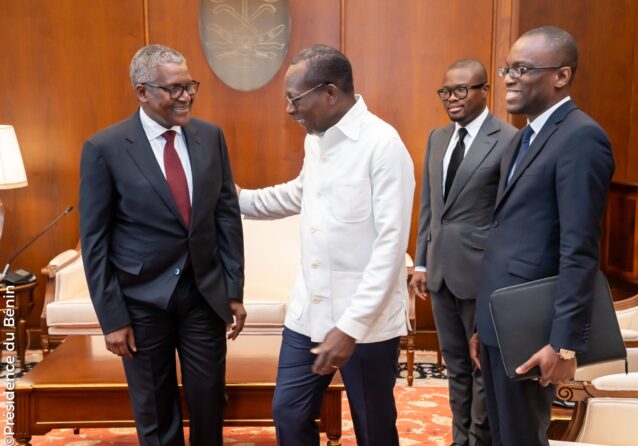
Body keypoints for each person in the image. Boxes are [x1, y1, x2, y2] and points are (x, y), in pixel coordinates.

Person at [237, 44, 414, 446]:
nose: (288, 109)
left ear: (330, 93)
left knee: (373, 427)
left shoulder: (383, 146)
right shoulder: (317, 139)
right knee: (290, 413)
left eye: (295, 99)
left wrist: (350, 328)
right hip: (308, 313)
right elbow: (299, 194)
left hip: (364, 324)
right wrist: (236, 198)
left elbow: (390, 247)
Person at [79, 44, 246, 446]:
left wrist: (234, 291)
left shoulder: (210, 137)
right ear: (142, 92)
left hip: (203, 295)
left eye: (190, 86)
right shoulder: (105, 148)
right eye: (174, 89)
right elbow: (95, 241)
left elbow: (226, 216)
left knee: (209, 400)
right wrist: (112, 317)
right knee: (155, 408)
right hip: (140, 302)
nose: (185, 96)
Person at [470, 26, 614, 445]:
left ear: (561, 76)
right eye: (507, 69)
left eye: (522, 68)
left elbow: (579, 249)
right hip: (500, 320)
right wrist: (484, 322)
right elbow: (507, 235)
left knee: (521, 439)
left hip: (534, 329)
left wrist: (564, 344)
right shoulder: (523, 139)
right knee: (499, 435)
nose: (510, 78)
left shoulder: (581, 138)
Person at [410, 59, 516, 446]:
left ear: (485, 91)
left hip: (480, 273)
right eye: (445, 91)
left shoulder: (507, 139)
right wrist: (421, 260)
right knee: (454, 364)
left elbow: (508, 213)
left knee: (479, 366)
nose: (451, 99)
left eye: (461, 90)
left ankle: (478, 439)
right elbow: (429, 206)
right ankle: (460, 439)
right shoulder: (438, 137)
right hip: (439, 273)